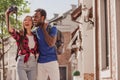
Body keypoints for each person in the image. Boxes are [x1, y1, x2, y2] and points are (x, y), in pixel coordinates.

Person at [5, 8, 38, 80]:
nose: (27, 21)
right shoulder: (20, 35)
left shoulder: (35, 36)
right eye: (25, 20)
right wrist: (7, 15)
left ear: (32, 23)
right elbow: (10, 30)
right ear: (23, 23)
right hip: (22, 62)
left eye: (29, 20)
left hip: (33, 63)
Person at [33, 8, 60, 80]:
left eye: (36, 17)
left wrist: (44, 29)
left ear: (42, 17)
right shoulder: (36, 31)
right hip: (40, 63)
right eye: (33, 17)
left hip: (52, 61)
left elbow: (51, 43)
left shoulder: (52, 28)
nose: (34, 19)